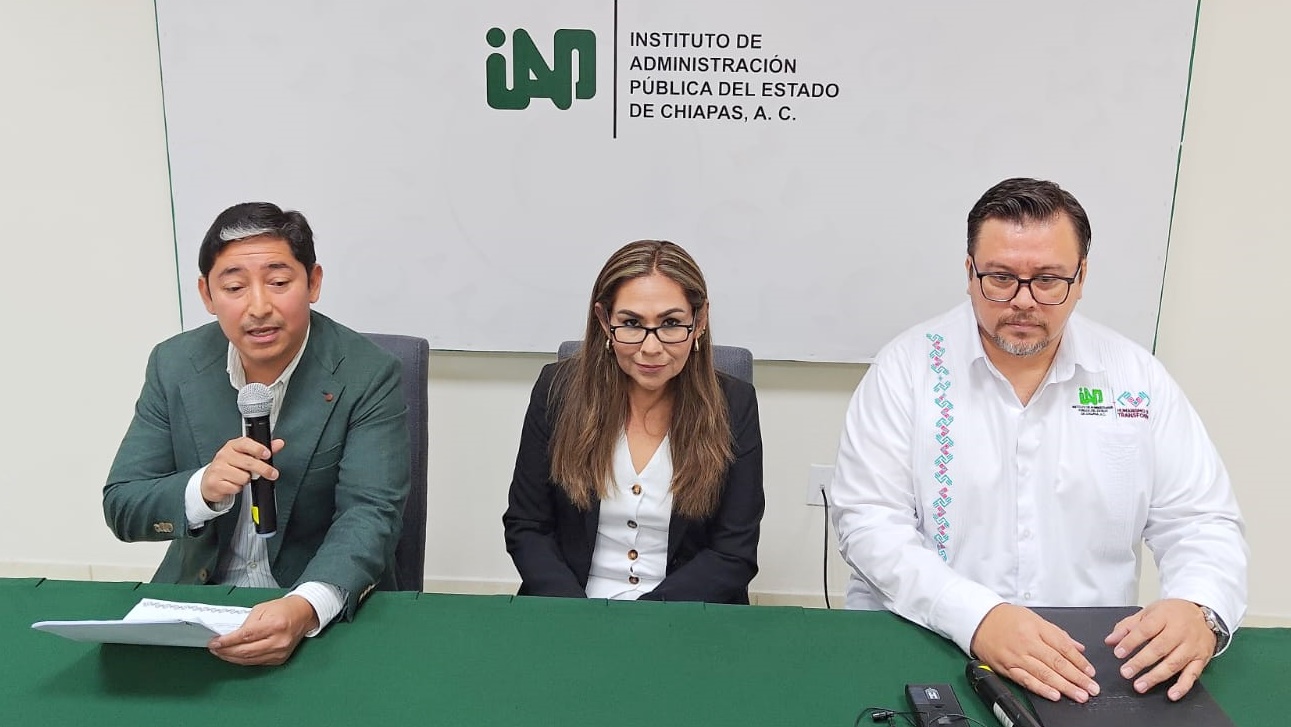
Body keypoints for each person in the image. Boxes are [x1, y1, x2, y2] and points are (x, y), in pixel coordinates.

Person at [828, 178, 1247, 703]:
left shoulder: (1135, 377)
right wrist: (977, 616)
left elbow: (1200, 520)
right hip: (926, 637)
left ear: (1081, 276)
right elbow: (869, 522)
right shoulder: (905, 370)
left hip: (1090, 661)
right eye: (1001, 278)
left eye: (1048, 280)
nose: (1023, 301)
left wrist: (1199, 607)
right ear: (969, 272)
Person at [103, 202, 411, 665]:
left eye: (279, 282)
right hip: (201, 606)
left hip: (315, 608)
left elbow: (370, 513)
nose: (259, 307)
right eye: (234, 287)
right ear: (207, 294)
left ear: (314, 283)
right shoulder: (174, 365)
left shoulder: (369, 373)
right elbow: (123, 504)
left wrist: (304, 607)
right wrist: (201, 489)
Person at [503, 240, 763, 603]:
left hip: (684, 612)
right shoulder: (556, 390)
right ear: (603, 320)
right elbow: (527, 526)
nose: (651, 348)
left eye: (671, 323)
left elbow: (733, 552)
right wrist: (578, 616)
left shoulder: (734, 404)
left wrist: (644, 619)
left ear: (700, 321)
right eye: (631, 324)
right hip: (570, 606)